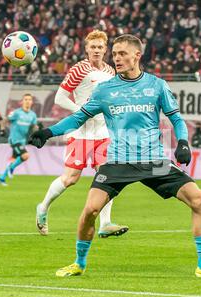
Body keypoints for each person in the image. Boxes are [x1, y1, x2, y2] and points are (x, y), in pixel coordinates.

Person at [29, 34, 201, 279]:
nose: (117, 58)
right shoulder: (104, 89)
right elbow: (78, 118)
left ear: (137, 55)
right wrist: (48, 132)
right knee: (90, 211)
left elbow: (176, 119)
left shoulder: (156, 85)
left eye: (122, 53)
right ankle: (78, 263)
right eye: (114, 54)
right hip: (118, 161)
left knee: (199, 200)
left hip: (154, 161)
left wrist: (182, 142)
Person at [35, 30, 128, 238]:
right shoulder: (79, 69)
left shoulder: (111, 72)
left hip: (103, 133)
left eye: (100, 47)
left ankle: (105, 224)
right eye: (93, 47)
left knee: (106, 176)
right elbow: (60, 97)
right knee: (70, 178)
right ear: (86, 49)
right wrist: (82, 112)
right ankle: (43, 207)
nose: (96, 50)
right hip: (81, 132)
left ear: (106, 50)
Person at [0, 94, 38, 186]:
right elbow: (4, 120)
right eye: (26, 99)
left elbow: (34, 126)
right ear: (22, 101)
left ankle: (1, 178)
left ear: (32, 102)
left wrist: (37, 133)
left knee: (15, 159)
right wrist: (2, 130)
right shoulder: (16, 112)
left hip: (22, 141)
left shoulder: (33, 115)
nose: (27, 101)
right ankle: (11, 168)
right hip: (14, 140)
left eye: (29, 100)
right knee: (25, 155)